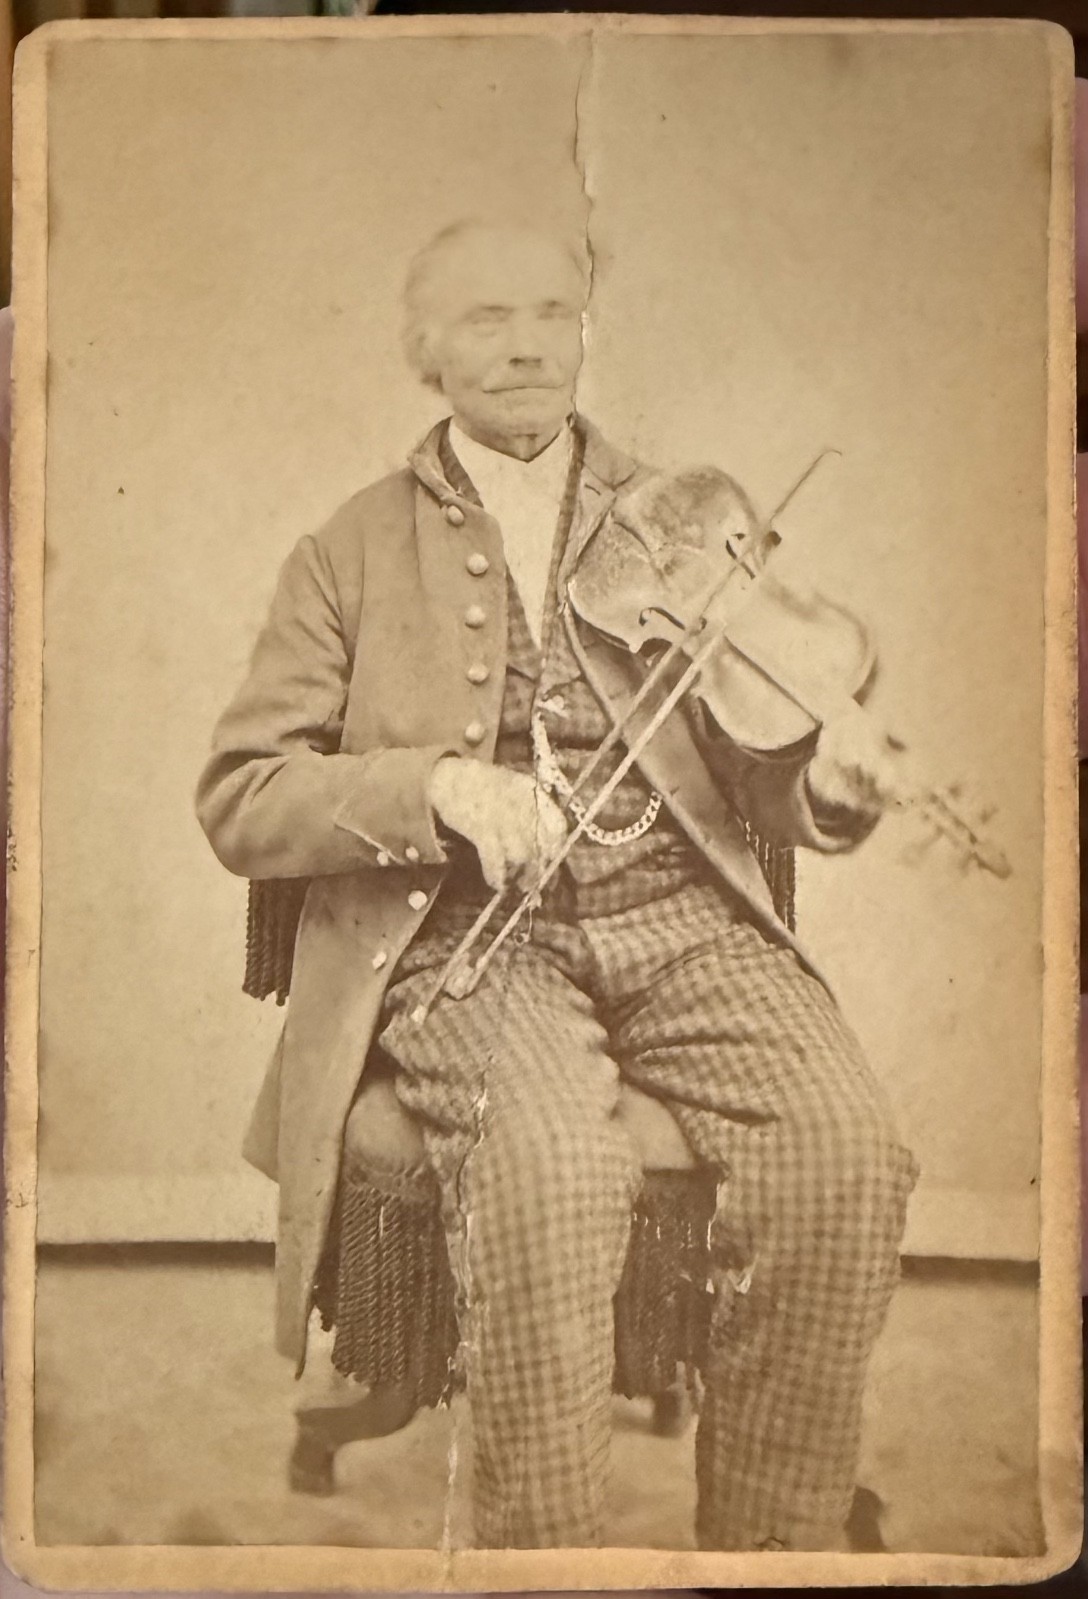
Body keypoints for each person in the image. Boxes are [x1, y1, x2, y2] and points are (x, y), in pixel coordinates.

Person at [195, 218, 918, 1552]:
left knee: (845, 1149)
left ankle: (778, 1552)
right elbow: (243, 794)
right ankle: (546, 1567)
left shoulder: (688, 518)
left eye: (550, 311)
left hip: (681, 917)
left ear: (586, 329)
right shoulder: (346, 549)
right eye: (484, 318)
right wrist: (435, 793)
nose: (525, 342)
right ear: (427, 352)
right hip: (473, 939)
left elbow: (763, 765)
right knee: (547, 1171)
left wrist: (824, 793)